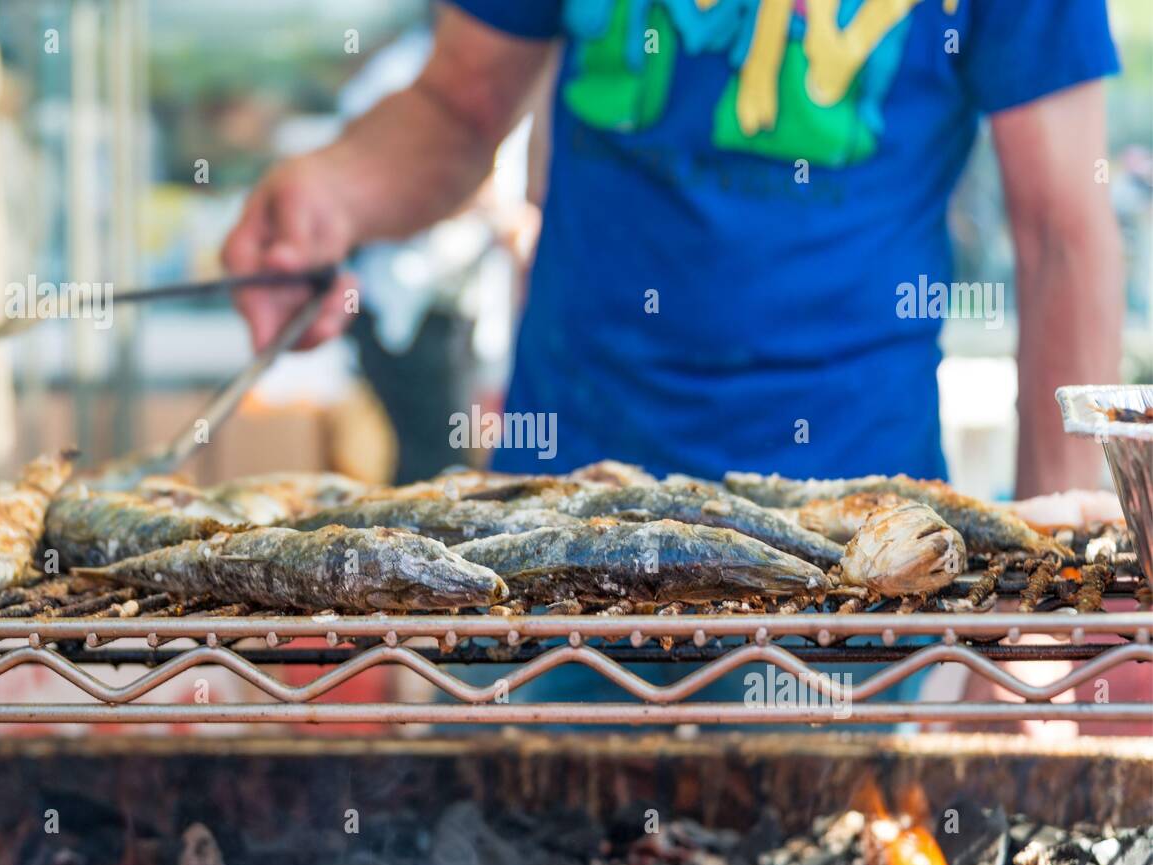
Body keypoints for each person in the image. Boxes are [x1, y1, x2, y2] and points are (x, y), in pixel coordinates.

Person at [221, 0, 1124, 720]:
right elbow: (459, 103)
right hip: (553, 552)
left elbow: (1061, 232)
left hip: (851, 563)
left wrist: (1039, 620)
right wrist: (331, 194)